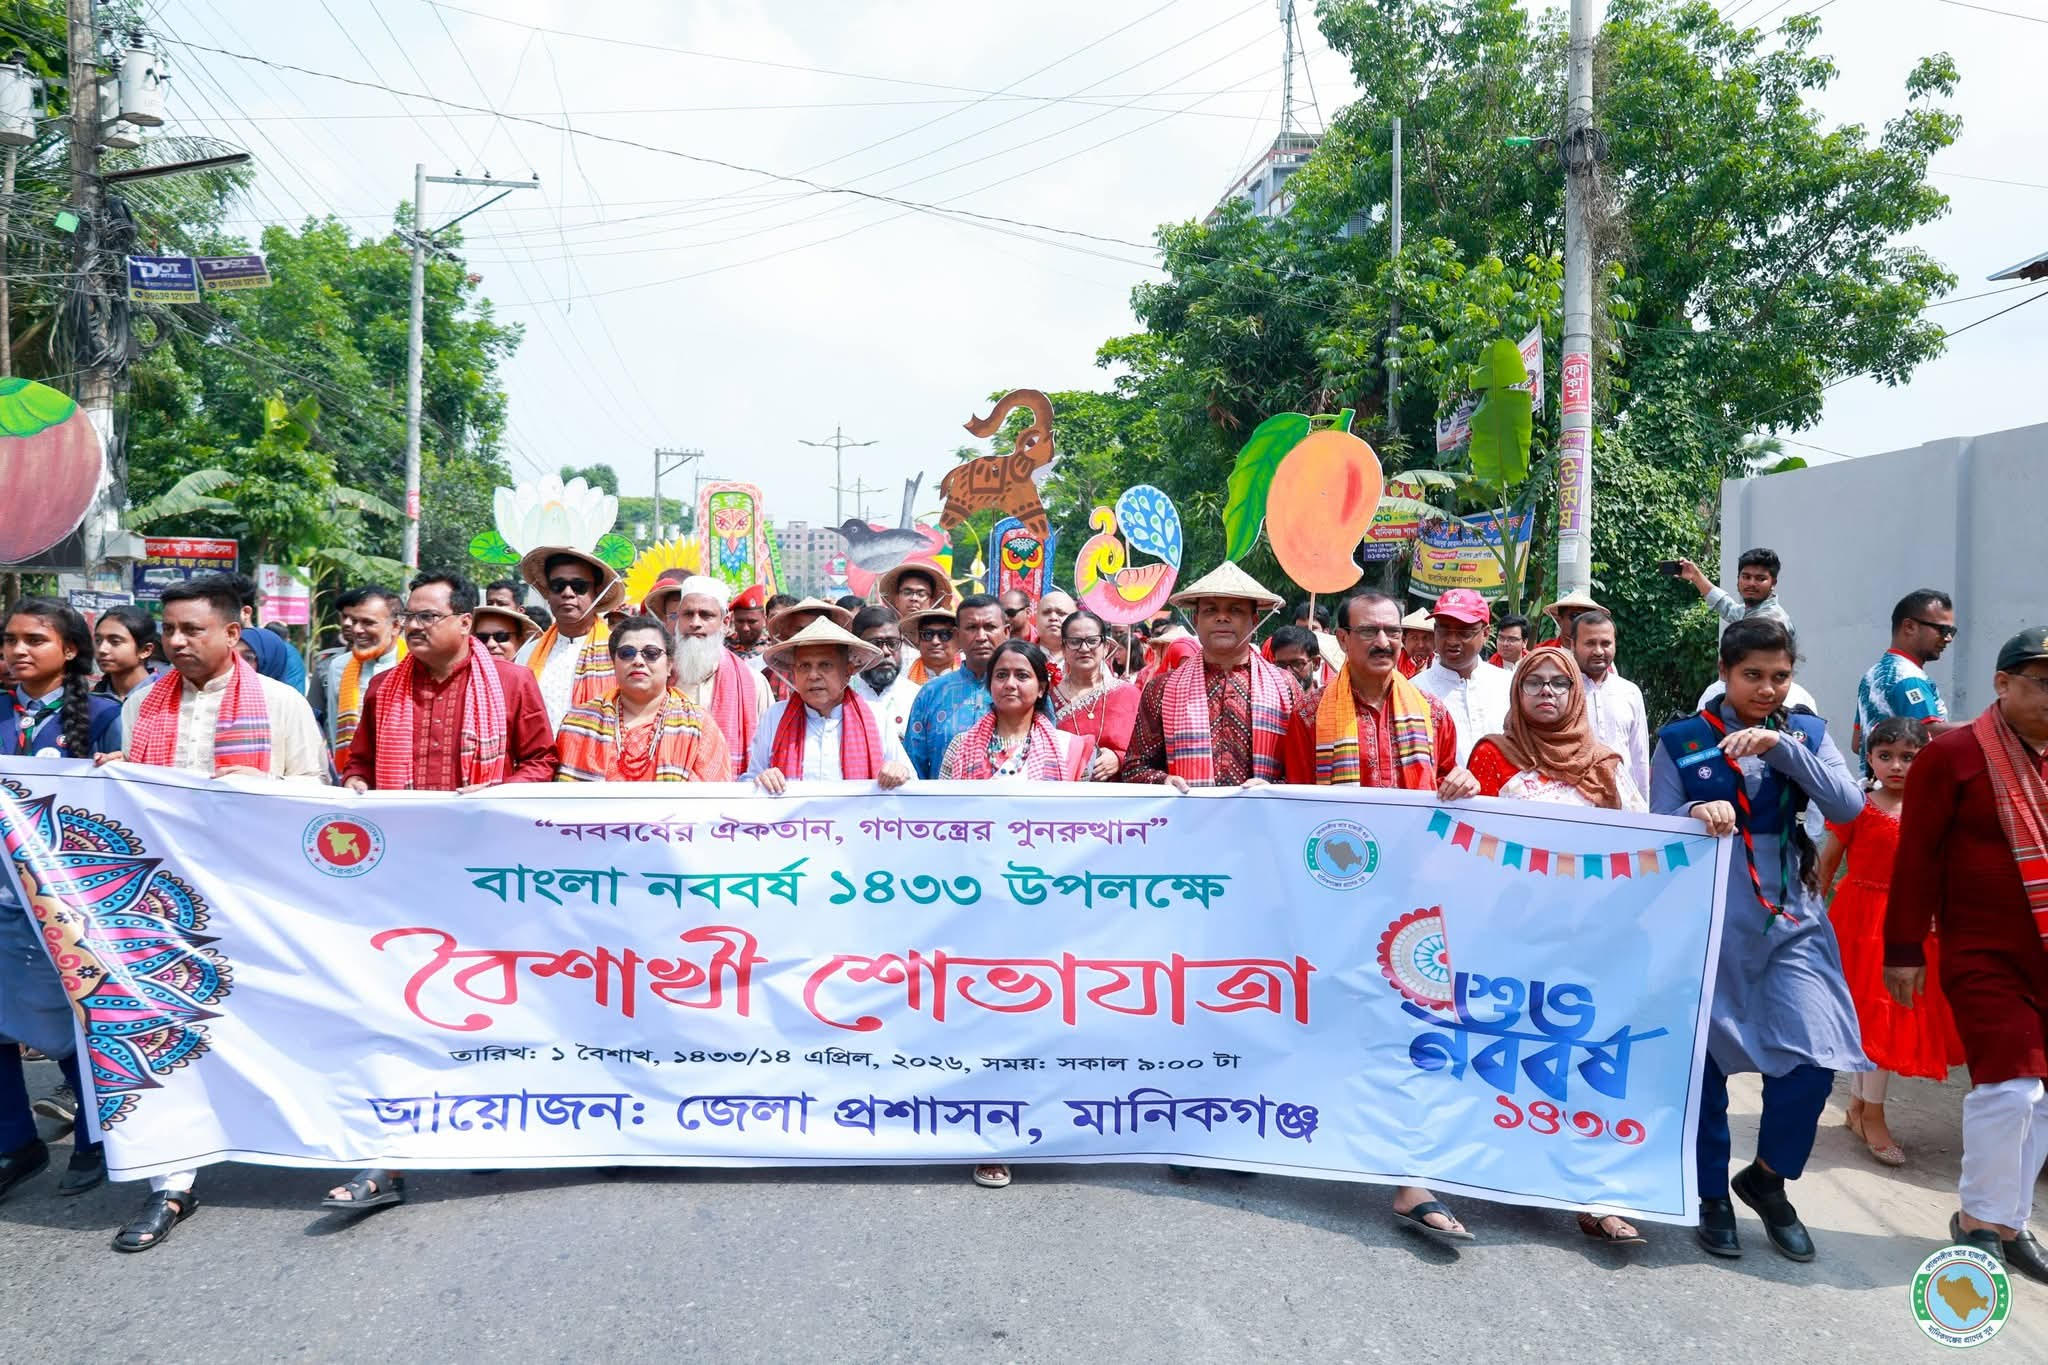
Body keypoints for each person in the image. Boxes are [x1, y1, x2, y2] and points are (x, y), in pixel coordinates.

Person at [112, 575, 326, 1252]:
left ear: (233, 633)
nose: (175, 641)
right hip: (164, 904)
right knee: (167, 1027)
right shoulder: (142, 706)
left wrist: (257, 786)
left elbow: (314, 795)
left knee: (274, 1020)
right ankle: (171, 1181)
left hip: (257, 896)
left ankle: (308, 1140)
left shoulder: (282, 703)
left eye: (191, 629)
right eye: (168, 629)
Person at [332, 572, 555, 1213]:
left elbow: (542, 761)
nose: (416, 626)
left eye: (429, 616)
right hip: (402, 881)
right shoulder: (384, 687)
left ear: (464, 621)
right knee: (401, 1004)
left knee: (484, 1001)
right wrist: (352, 784)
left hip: (488, 878)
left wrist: (499, 795)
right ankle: (391, 1154)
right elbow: (360, 763)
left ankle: (490, 1119)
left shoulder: (510, 683)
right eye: (411, 616)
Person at [1651, 618, 1866, 1264]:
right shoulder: (1682, 739)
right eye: (1753, 675)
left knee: (1814, 1054)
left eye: (1780, 676)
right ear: (1724, 671)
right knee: (1706, 1064)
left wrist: (1781, 748)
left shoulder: (1805, 733)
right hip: (1710, 915)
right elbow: (1656, 824)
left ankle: (1768, 1177)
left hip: (1790, 916)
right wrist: (1693, 814)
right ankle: (1711, 1192)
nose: (1767, 688)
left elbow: (1849, 806)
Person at [1279, 590, 1478, 1243]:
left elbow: (1457, 799)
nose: (1385, 643)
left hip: (1417, 907)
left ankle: (1409, 1176)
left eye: (1393, 631)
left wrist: (1462, 789)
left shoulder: (1436, 715)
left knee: (1412, 1031)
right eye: (1370, 631)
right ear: (1342, 636)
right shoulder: (1309, 716)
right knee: (1336, 1025)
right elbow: (1299, 816)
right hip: (1338, 904)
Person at [1465, 644, 1652, 1244]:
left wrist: (1702, 816)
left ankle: (1590, 1192)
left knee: (1581, 1059)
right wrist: (1459, 793)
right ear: (1516, 694)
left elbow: (1643, 840)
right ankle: (1501, 1169)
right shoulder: (1492, 757)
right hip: (1508, 938)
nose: (1546, 693)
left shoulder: (1605, 763)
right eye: (1533, 683)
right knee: (1510, 1053)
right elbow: (1467, 840)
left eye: (1559, 684)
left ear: (1577, 694)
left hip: (1588, 940)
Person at [1885, 628, 2048, 1283]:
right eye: (2041, 680)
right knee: (2011, 1087)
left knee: (2042, 1098)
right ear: (2001, 684)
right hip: (1983, 951)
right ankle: (1978, 1220)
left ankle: (2011, 1222)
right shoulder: (1953, 755)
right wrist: (1903, 948)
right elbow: (1916, 855)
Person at [938, 637, 1094, 1190]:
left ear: (1042, 685)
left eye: (1022, 675)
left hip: (1047, 912)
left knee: (1041, 1025)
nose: (1010, 683)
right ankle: (991, 1138)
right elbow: (939, 828)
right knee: (983, 1024)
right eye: (1001, 674)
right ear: (988, 684)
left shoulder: (1076, 752)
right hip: (977, 910)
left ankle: (1045, 1128)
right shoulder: (960, 750)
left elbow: (1096, 835)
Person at [0, 599, 122, 1205]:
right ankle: (14, 1144)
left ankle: (96, 1139)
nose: (18, 650)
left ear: (69, 650)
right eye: (10, 640)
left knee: (72, 1025)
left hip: (60, 906)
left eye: (34, 640)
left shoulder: (101, 717)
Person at [1816, 717, 1962, 1168]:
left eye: (1908, 757)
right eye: (1886, 756)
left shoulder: (1933, 807)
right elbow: (1827, 863)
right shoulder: (1857, 807)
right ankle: (1871, 1113)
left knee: (1889, 1017)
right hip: (1859, 923)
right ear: (1871, 758)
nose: (1896, 766)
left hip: (1907, 927)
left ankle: (1862, 1107)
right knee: (1872, 1019)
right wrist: (1808, 918)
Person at [1121, 563, 1303, 789]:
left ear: (1254, 621)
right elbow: (1134, 768)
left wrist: (1274, 788)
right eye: (1211, 610)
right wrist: (1163, 780)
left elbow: (1304, 770)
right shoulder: (1162, 689)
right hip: (1186, 820)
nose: (1222, 618)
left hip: (1264, 820)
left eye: (1235, 610)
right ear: (1196, 620)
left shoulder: (1286, 687)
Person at [557, 614, 731, 783]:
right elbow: (565, 803)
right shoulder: (579, 724)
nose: (638, 660)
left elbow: (710, 801)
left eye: (651, 653)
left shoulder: (698, 725)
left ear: (669, 665)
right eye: (627, 653)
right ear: (613, 663)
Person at [749, 618, 914, 792]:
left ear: (848, 671)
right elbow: (749, 781)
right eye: (804, 666)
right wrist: (762, 779)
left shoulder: (876, 716)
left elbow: (912, 784)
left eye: (825, 665)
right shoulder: (775, 717)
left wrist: (899, 772)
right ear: (794, 672)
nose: (813, 675)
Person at [649, 575, 772, 774]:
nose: (695, 623)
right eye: (688, 614)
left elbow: (768, 752)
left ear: (725, 622)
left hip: (729, 797)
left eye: (706, 615)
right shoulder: (657, 676)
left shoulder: (753, 683)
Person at [517, 544, 626, 731]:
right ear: (549, 594)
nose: (567, 593)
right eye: (558, 586)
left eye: (578, 586)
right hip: (540, 758)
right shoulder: (528, 653)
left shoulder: (620, 651)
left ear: (596, 592)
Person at [904, 594, 1008, 779]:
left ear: (1006, 633)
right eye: (971, 628)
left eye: (990, 627)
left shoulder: (1024, 691)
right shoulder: (931, 693)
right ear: (958, 636)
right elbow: (913, 767)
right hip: (942, 805)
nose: (981, 637)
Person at [1413, 590, 1513, 767]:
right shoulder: (1413, 692)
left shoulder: (1508, 685)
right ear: (1435, 631)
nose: (1452, 640)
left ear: (1486, 633)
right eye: (1444, 630)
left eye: (1464, 632)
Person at [1852, 588, 1955, 759]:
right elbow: (1931, 736)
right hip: (1908, 785)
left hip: (1875, 785)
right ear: (1909, 627)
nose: (1948, 638)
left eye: (1952, 632)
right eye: (1943, 630)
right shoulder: (1910, 679)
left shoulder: (1872, 675)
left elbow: (1858, 743)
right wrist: (1985, 725)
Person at [310, 586, 405, 764]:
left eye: (368, 623)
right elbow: (332, 727)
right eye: (354, 621)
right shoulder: (338, 666)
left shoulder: (414, 664)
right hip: (350, 775)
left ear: (395, 626)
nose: (357, 630)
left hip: (401, 774)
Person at [1569, 609, 1650, 795]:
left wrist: (1643, 810)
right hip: (1573, 801)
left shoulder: (1630, 692)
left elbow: (1640, 758)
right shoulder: (1560, 690)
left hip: (1623, 802)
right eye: (1590, 643)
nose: (1598, 651)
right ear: (1573, 644)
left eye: (1606, 643)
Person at [1052, 609, 1138, 781]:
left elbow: (1147, 751)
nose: (1084, 648)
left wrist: (1119, 759)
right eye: (1075, 642)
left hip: (1121, 798)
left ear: (1105, 647)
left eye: (1092, 641)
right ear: (1063, 648)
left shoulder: (1128, 694)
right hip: (1063, 797)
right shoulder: (1048, 697)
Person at [848, 605, 921, 745]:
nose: (886, 651)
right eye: (875, 644)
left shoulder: (918, 698)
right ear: (857, 647)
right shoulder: (840, 697)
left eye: (893, 643)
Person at [1679, 548, 1791, 633]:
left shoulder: (1772, 623)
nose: (1751, 583)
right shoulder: (1751, 611)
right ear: (1738, 578)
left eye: (1760, 579)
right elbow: (1727, 607)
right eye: (1746, 577)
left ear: (1773, 583)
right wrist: (1695, 576)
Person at [92, 605, 166, 701]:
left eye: (115, 641)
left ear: (145, 650)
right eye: (98, 640)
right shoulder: (91, 699)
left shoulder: (165, 697)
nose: (102, 649)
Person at [903, 604, 958, 684]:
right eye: (928, 635)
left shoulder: (971, 676)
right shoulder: (904, 676)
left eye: (944, 635)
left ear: (958, 638)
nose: (935, 641)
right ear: (918, 638)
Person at [880, 562, 950, 621]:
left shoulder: (941, 634)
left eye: (921, 594)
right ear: (896, 600)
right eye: (907, 593)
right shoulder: (882, 632)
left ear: (932, 602)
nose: (914, 598)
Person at [1266, 624, 1325, 693]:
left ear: (1315, 663)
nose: (1288, 672)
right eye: (1281, 666)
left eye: (1297, 664)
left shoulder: (1329, 701)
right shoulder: (1265, 700)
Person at [470, 603, 537, 662]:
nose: (491, 644)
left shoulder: (534, 674)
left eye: (501, 637)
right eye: (482, 638)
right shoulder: (465, 674)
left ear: (520, 640)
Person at [1034, 589, 1076, 682]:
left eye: (1061, 613)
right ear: (1036, 619)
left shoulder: (1088, 658)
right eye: (1046, 612)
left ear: (1075, 620)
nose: (1053, 618)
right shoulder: (1021, 656)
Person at [727, 586, 771, 674]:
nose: (745, 628)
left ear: (764, 620)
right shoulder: (723, 647)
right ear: (733, 619)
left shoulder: (772, 649)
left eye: (752, 621)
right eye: (740, 621)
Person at [1398, 608, 1434, 678]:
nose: (1421, 645)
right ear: (1404, 640)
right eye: (1414, 638)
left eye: (1426, 638)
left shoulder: (1441, 666)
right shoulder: (1392, 665)